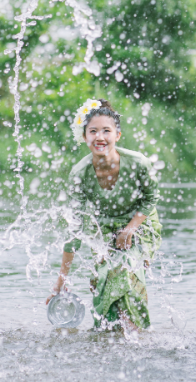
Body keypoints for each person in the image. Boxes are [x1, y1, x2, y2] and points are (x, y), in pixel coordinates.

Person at [46, 99, 162, 332]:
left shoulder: (138, 163)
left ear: (117, 135)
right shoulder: (80, 173)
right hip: (104, 229)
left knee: (125, 271)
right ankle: (111, 337)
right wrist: (61, 281)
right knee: (103, 281)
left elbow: (151, 198)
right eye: (93, 131)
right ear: (84, 137)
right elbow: (76, 227)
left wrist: (130, 228)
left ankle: (137, 335)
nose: (100, 137)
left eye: (106, 131)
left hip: (141, 224)